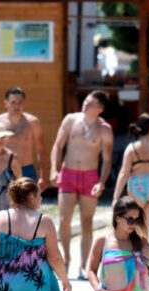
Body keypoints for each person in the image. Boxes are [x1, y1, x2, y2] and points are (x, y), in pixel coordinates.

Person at [50, 90, 114, 279]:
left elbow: (107, 159)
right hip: (68, 173)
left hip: (90, 176)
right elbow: (58, 145)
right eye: (85, 101)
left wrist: (101, 182)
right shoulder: (71, 120)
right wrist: (54, 169)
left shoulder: (104, 129)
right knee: (64, 219)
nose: (85, 105)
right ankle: (67, 259)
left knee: (87, 221)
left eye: (90, 103)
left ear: (100, 109)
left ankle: (84, 265)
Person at [112, 113, 149, 257]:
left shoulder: (132, 147)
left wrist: (116, 197)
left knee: (136, 226)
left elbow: (123, 173)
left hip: (136, 185)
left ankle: (137, 259)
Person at [0, 86, 49, 186]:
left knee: (26, 201)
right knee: (3, 201)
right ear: (6, 103)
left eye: (20, 102)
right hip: (3, 170)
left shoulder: (32, 122)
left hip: (26, 169)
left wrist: (44, 176)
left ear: (24, 103)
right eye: (13, 102)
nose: (17, 106)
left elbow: (41, 150)